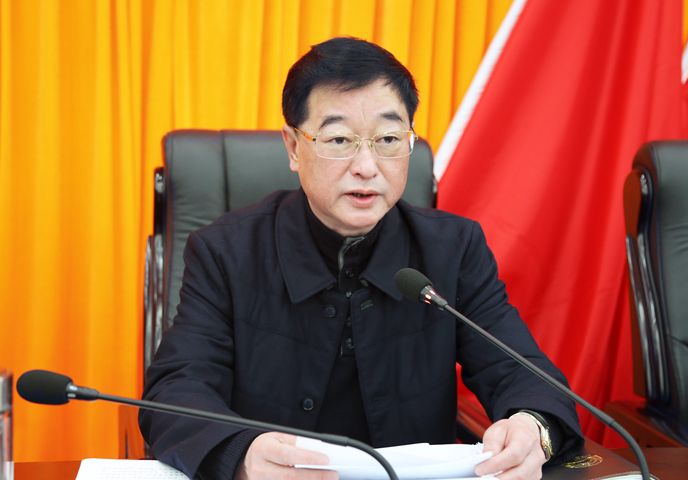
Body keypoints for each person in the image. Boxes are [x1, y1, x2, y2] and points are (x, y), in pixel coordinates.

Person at [139, 37, 584, 480]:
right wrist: (241, 454)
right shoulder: (225, 252)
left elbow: (524, 375)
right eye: (339, 139)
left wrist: (534, 427)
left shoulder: (453, 248)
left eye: (388, 138)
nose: (367, 166)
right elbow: (177, 390)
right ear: (293, 147)